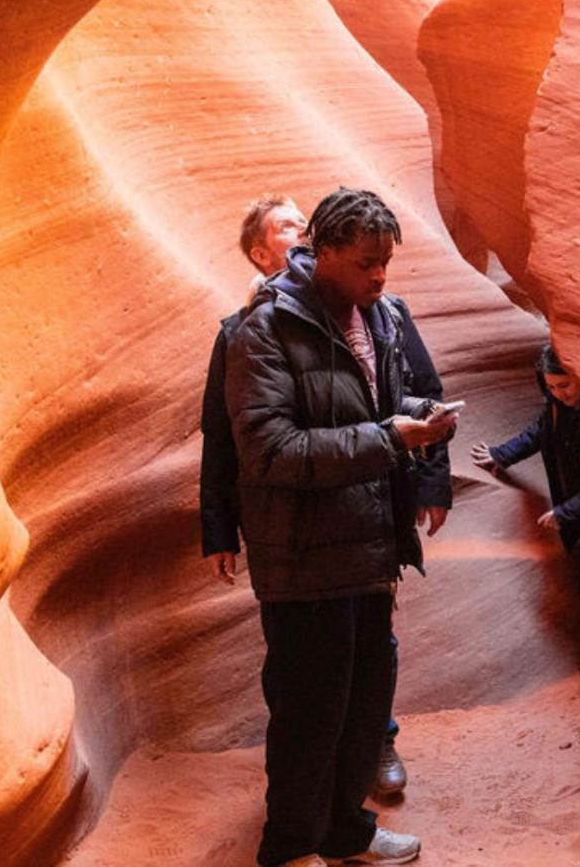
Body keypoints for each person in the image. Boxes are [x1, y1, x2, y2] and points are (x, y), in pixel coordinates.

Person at [224, 187, 457, 867]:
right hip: (303, 560)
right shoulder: (264, 330)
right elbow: (268, 449)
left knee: (361, 710)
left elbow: (376, 403)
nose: (380, 276)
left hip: (368, 550)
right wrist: (390, 436)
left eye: (386, 262)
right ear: (321, 252)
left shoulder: (375, 316)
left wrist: (421, 414)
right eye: (365, 263)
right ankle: (291, 847)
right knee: (309, 715)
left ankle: (344, 834)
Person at [469, 345, 580, 629]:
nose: (558, 393)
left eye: (565, 385)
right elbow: (537, 434)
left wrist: (566, 512)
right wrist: (500, 455)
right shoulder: (556, 409)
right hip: (576, 503)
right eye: (551, 387)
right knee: (576, 575)